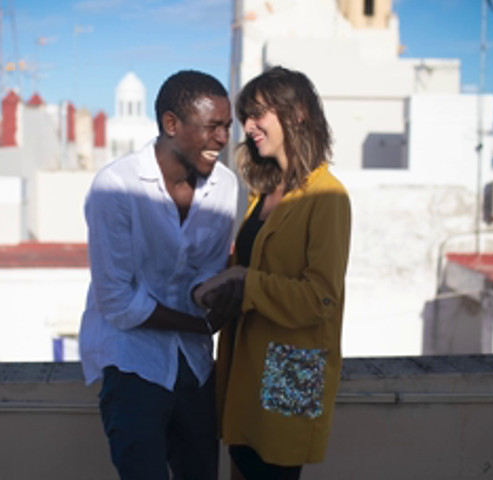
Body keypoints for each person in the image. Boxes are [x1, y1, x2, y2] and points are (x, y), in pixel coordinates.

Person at [79, 70, 240, 480]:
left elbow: (205, 273)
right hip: (133, 364)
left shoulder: (225, 186)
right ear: (171, 124)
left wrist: (224, 294)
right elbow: (115, 299)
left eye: (227, 126)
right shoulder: (114, 187)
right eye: (211, 127)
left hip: (197, 367)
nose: (222, 138)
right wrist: (200, 324)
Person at [194, 66, 352, 479]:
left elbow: (321, 297)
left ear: (297, 112)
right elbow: (250, 266)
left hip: (289, 374)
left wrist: (243, 282)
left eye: (258, 114)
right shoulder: (264, 193)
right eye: (246, 116)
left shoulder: (328, 196)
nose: (247, 126)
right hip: (245, 367)